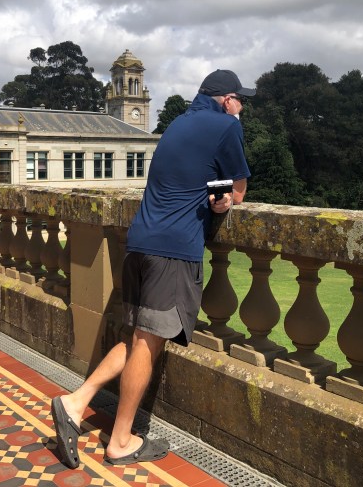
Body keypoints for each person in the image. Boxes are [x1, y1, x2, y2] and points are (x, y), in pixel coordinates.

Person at [51, 69, 254, 468]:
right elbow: (239, 191)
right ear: (228, 100)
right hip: (173, 250)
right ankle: (120, 441)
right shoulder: (227, 125)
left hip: (141, 241)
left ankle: (75, 402)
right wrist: (225, 200)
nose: (242, 107)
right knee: (147, 343)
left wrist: (216, 196)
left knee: (138, 339)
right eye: (240, 100)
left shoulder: (176, 123)